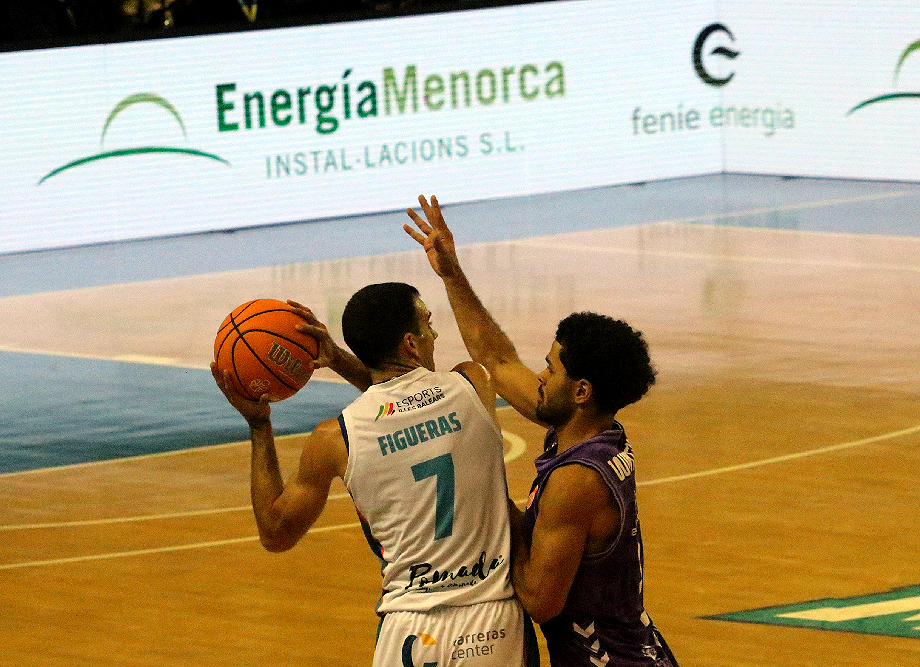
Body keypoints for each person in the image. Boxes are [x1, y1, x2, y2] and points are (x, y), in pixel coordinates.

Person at [405, 195, 679, 667]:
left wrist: (489, 498)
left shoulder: (576, 480)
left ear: (581, 391)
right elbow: (496, 359)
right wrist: (451, 274)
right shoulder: (590, 430)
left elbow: (539, 600)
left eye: (551, 368)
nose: (540, 376)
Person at [210, 286, 537, 667]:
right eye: (427, 325)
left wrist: (259, 426)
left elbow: (275, 532)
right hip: (491, 621)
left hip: (408, 630)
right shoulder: (471, 384)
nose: (434, 335)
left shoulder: (334, 439)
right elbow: (410, 400)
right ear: (411, 344)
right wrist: (338, 359)